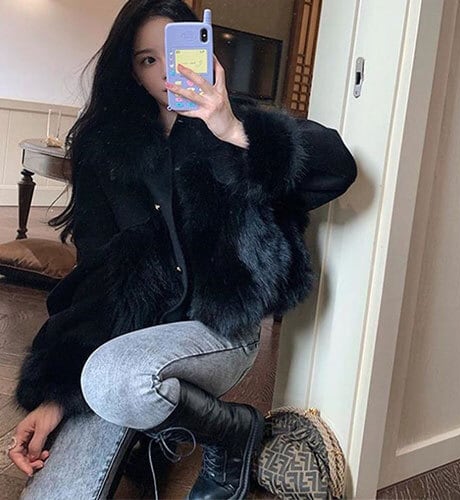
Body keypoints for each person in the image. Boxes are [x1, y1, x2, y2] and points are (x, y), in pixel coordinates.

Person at [6, 0, 357, 499]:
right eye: (147, 60)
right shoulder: (108, 147)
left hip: (220, 328)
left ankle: (230, 432)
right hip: (132, 338)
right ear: (132, 70)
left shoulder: (236, 121)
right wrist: (57, 396)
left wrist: (231, 130)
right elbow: (97, 276)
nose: (165, 72)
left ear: (204, 51)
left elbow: (338, 167)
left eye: (174, 53)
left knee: (111, 380)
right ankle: (155, 425)